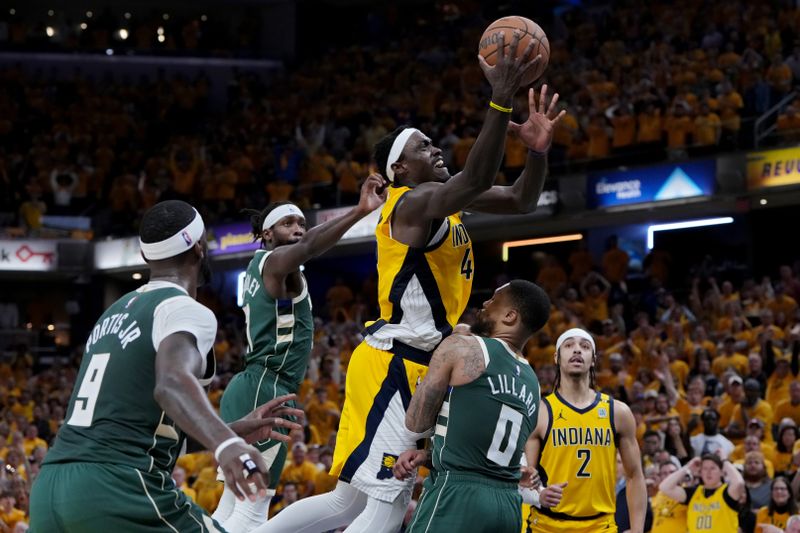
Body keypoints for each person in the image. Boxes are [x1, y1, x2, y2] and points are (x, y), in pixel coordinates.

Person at [255, 31, 565, 533]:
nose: (436, 147)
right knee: (388, 504)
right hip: (394, 362)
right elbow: (476, 179)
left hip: (412, 361)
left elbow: (520, 201)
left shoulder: (443, 199)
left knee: (347, 504)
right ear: (398, 168)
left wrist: (536, 153)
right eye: (423, 145)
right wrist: (500, 101)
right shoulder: (411, 203)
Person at [29, 200, 303, 531]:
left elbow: (141, 429)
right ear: (200, 248)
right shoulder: (184, 310)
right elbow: (170, 383)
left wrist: (235, 429)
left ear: (146, 257)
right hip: (118, 487)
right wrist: (228, 446)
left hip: (50, 489)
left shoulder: (113, 311)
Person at [213, 175, 386, 532]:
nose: (297, 228)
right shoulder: (275, 263)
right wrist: (359, 211)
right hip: (266, 387)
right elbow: (308, 246)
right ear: (266, 233)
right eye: (287, 222)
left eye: (301, 223)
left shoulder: (270, 267)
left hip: (252, 385)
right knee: (252, 509)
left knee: (231, 506)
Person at [392, 280, 550, 532]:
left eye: (493, 301)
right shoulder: (533, 382)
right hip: (508, 507)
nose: (484, 304)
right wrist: (427, 456)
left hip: (457, 499)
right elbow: (483, 450)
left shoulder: (463, 346)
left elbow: (416, 424)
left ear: (510, 316)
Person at [526, 328, 646, 532]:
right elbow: (526, 477)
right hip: (546, 526)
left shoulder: (618, 412)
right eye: (569, 345)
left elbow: (634, 475)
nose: (577, 350)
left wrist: (637, 530)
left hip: (601, 525)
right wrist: (539, 493)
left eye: (584, 346)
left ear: (593, 359)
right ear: (556, 357)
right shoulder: (539, 412)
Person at [659, 454, 745, 532]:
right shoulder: (693, 493)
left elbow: (739, 483)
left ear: (722, 472)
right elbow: (664, 487)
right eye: (705, 468)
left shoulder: (727, 493)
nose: (708, 472)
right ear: (700, 472)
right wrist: (688, 467)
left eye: (713, 468)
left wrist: (725, 461)